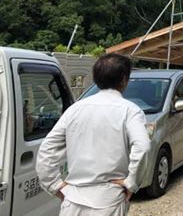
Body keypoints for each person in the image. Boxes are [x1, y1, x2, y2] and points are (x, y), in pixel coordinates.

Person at [36, 54, 151, 215]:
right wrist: (131, 183)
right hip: (108, 200)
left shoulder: (75, 109)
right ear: (124, 79)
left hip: (72, 200)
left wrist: (56, 186)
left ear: (96, 78)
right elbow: (143, 147)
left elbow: (46, 151)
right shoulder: (130, 110)